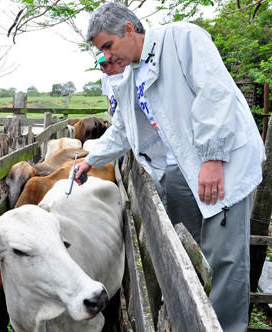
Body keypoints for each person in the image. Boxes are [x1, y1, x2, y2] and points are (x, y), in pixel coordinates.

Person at [75, 3, 266, 332]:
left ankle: (223, 327)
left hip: (221, 164)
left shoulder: (183, 39)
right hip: (181, 169)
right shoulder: (131, 74)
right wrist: (92, 159)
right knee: (187, 251)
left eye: (107, 46)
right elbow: (123, 129)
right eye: (100, 50)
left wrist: (212, 158)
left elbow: (215, 94)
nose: (105, 56)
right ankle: (190, 318)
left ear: (130, 30)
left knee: (224, 260)